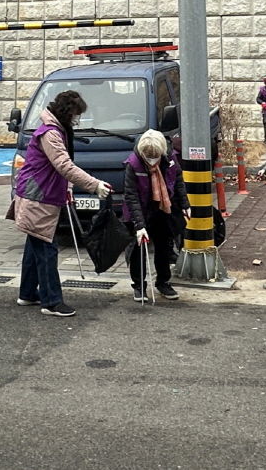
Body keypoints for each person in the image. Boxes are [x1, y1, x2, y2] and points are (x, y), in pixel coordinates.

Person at [12, 90, 112, 317]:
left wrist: (67, 189)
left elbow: (58, 168)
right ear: (67, 113)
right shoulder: (51, 134)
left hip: (36, 193)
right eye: (77, 114)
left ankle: (27, 294)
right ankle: (51, 301)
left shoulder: (54, 129)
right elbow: (64, 166)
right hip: (38, 196)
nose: (78, 119)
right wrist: (94, 185)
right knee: (47, 247)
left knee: (35, 243)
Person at [122, 129, 188, 302]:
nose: (152, 161)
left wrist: (184, 204)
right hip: (141, 208)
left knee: (163, 246)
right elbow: (131, 196)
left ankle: (163, 282)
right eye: (148, 158)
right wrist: (139, 226)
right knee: (138, 248)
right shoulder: (133, 163)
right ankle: (139, 285)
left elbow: (178, 179)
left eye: (155, 157)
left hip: (162, 207)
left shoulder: (169, 157)